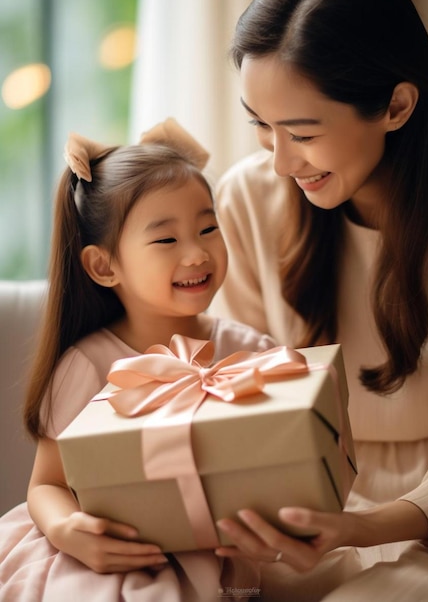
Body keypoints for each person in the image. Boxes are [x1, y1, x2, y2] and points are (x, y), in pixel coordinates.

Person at [208, 0, 428, 600]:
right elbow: (237, 391)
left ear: (396, 107)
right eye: (261, 126)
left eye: (301, 133)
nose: (278, 162)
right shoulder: (248, 198)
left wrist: (364, 525)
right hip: (302, 501)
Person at [0, 118, 275, 602]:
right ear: (104, 266)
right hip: (114, 560)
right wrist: (69, 529)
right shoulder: (89, 364)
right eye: (166, 240)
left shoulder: (253, 352)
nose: (196, 253)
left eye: (208, 227)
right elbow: (46, 485)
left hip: (232, 559)